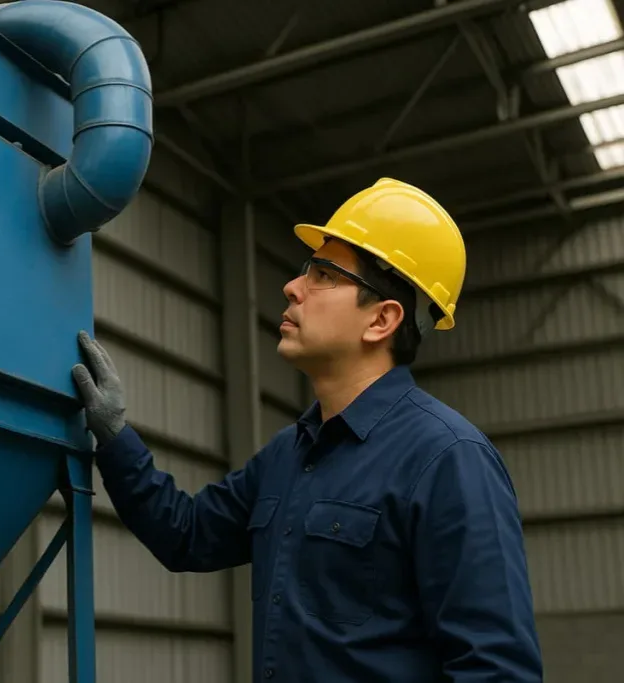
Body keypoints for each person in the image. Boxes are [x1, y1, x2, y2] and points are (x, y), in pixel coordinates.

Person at [70, 178, 543, 682]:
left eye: (323, 274)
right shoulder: (288, 456)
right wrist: (116, 435)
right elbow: (186, 535)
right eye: (305, 270)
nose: (293, 287)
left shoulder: (448, 458)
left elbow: (496, 671)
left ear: (381, 319)